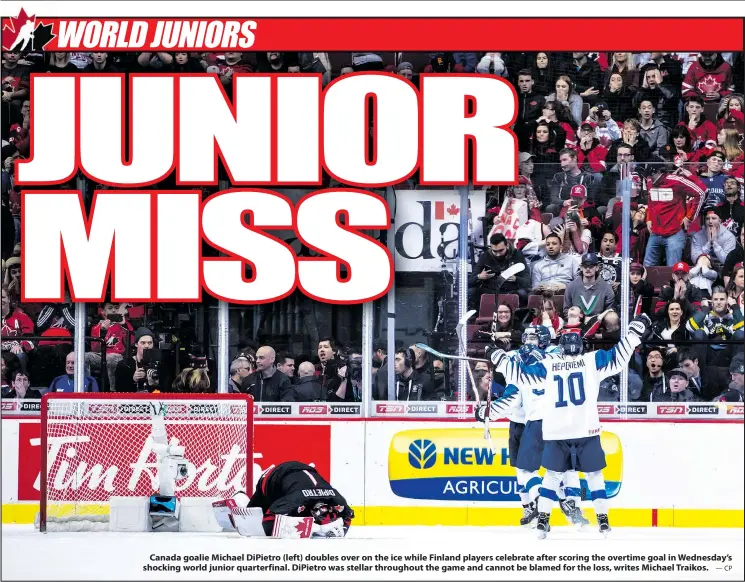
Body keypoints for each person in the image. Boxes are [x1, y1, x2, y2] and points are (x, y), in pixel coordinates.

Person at [485, 315, 652, 538]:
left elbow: (520, 376)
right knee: (593, 475)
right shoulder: (592, 361)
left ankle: (543, 521)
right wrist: (633, 333)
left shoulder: (549, 365)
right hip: (587, 429)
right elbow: (619, 357)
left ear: (561, 349)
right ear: (581, 347)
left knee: (552, 476)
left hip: (557, 431)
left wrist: (496, 355)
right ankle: (603, 521)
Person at [479, 326, 589, 531]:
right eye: (527, 337)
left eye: (534, 338)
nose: (529, 341)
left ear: (545, 340)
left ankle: (541, 501)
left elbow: (512, 393)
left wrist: (488, 412)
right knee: (563, 467)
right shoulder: (545, 357)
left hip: (533, 421)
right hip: (555, 420)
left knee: (529, 468)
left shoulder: (547, 356)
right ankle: (545, 505)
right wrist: (498, 355)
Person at [243, 461, 354, 538]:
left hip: (301, 472)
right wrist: (314, 529)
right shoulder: (297, 499)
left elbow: (348, 516)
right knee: (248, 520)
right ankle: (240, 498)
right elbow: (268, 521)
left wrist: (338, 529)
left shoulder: (337, 499)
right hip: (271, 479)